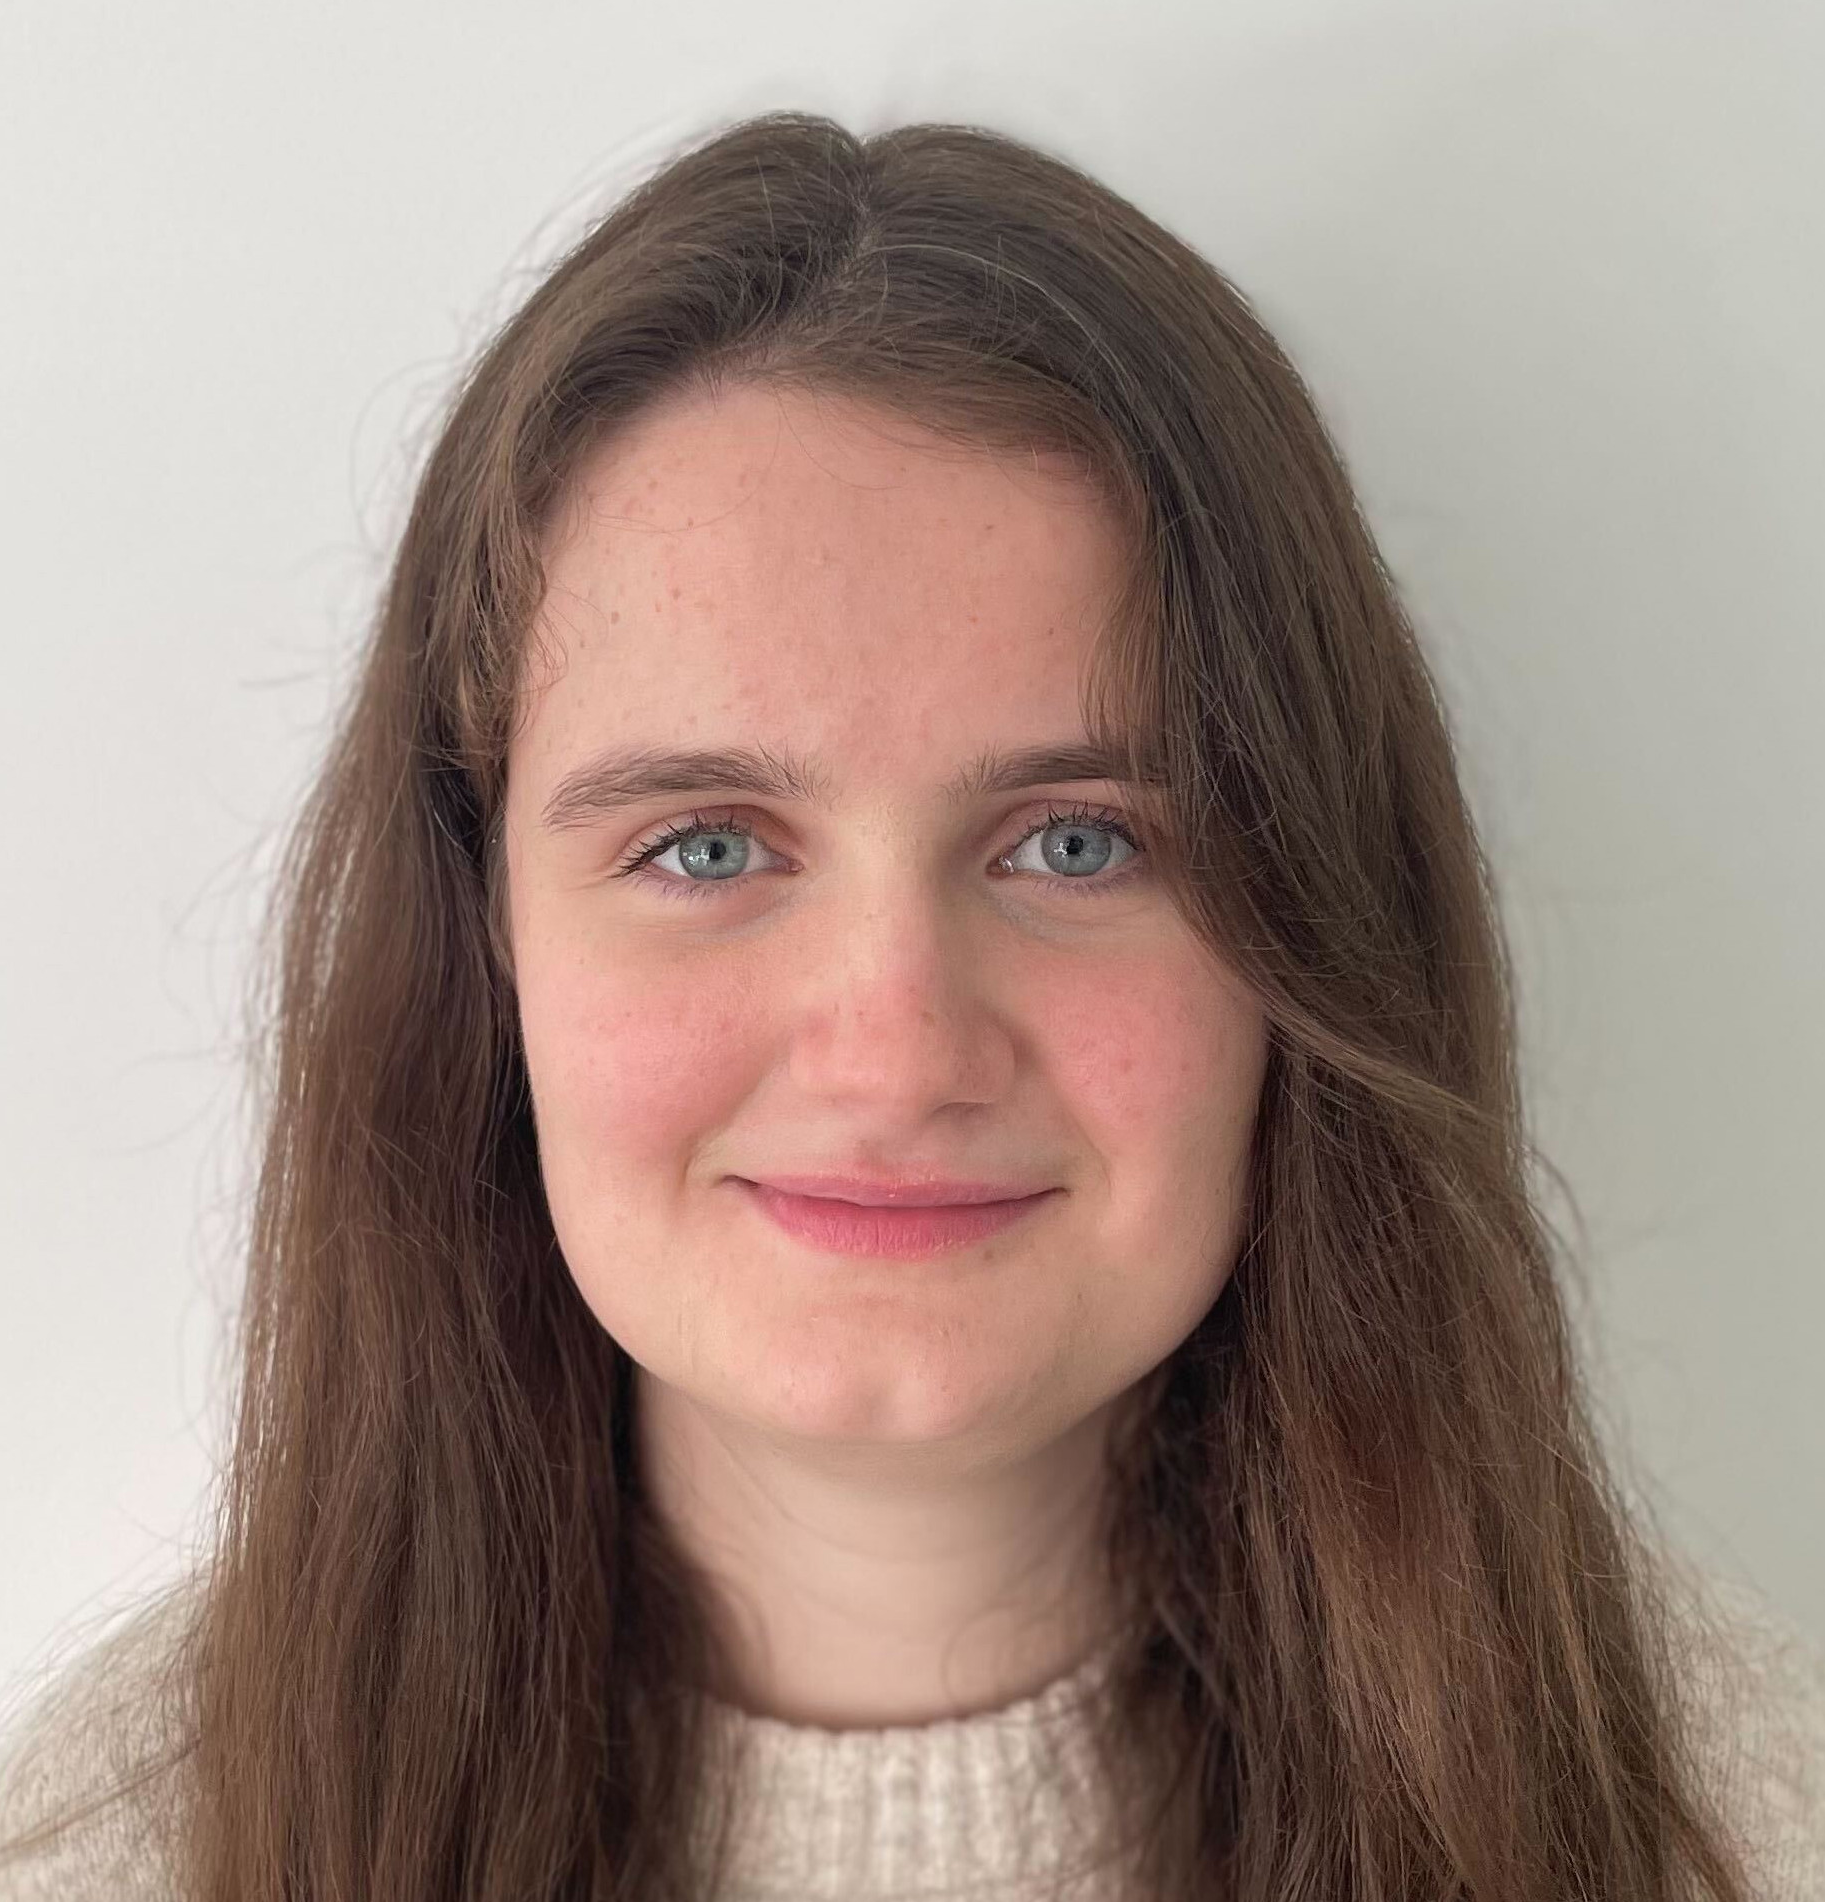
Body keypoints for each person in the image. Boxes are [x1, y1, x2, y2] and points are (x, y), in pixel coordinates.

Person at [2, 107, 1821, 1902]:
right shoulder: (112, 1853)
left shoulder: (1740, 1829)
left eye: (1079, 844)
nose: (897, 1050)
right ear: (486, 950)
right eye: (708, 846)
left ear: (1316, 941)